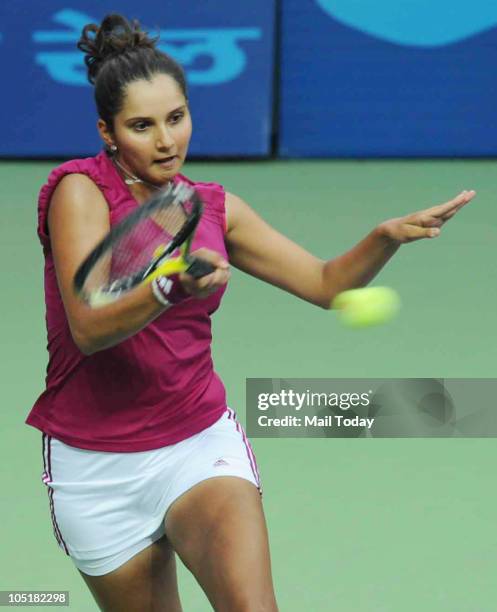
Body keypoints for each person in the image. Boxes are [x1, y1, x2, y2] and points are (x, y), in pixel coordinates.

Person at [26, 13, 475, 612]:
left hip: (196, 441)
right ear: (107, 132)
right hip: (96, 465)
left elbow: (325, 283)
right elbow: (87, 328)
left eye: (177, 118)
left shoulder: (214, 207)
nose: (166, 141)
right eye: (142, 125)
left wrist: (383, 237)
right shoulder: (78, 192)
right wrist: (169, 287)